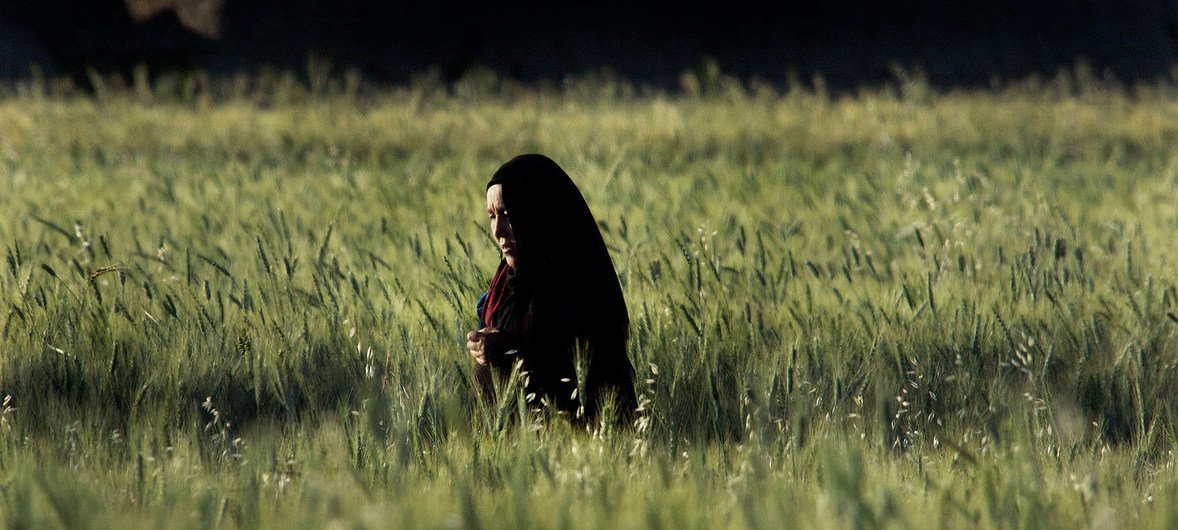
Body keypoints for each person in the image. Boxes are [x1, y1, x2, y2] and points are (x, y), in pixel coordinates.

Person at [466, 153, 637, 426]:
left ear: (537, 213)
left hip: (580, 448)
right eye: (492, 217)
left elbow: (581, 372)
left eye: (508, 214)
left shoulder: (578, 283)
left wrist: (508, 350)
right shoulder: (504, 288)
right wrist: (484, 346)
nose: (498, 231)